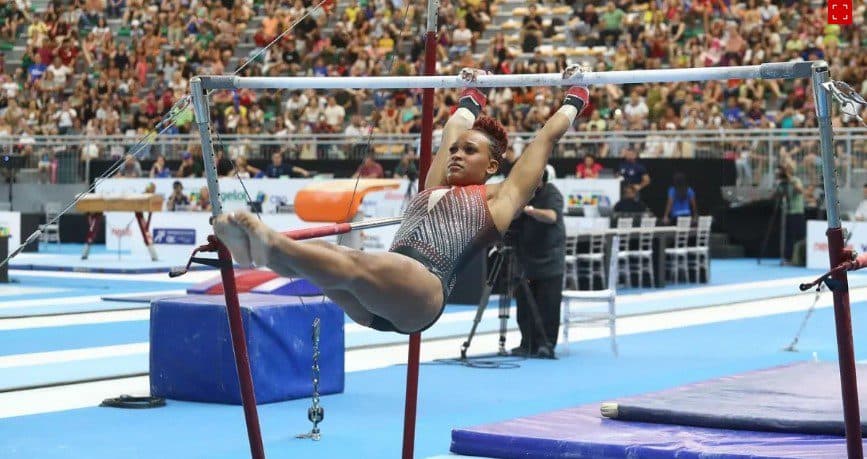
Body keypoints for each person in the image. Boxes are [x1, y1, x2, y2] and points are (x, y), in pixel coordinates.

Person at [213, 67, 590, 334]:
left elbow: (546, 138)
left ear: (492, 164)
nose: (456, 154)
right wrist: (472, 95)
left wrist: (577, 94)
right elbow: (452, 131)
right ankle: (262, 253)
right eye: (455, 151)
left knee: (351, 261)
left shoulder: (500, 199)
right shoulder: (433, 184)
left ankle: (271, 244)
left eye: (469, 151)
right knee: (331, 262)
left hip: (422, 291)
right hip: (377, 303)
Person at [511, 165, 565, 358]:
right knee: (524, 305)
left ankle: (546, 343)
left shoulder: (551, 193)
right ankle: (527, 343)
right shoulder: (523, 195)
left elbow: (552, 216)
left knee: (548, 305)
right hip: (526, 259)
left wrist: (530, 210)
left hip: (549, 259)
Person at [775, 163, 805, 263]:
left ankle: (800, 258)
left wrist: (790, 179)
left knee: (799, 235)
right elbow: (777, 195)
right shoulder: (783, 183)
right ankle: (788, 258)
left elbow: (800, 190)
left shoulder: (795, 180)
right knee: (789, 237)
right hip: (787, 212)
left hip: (797, 211)